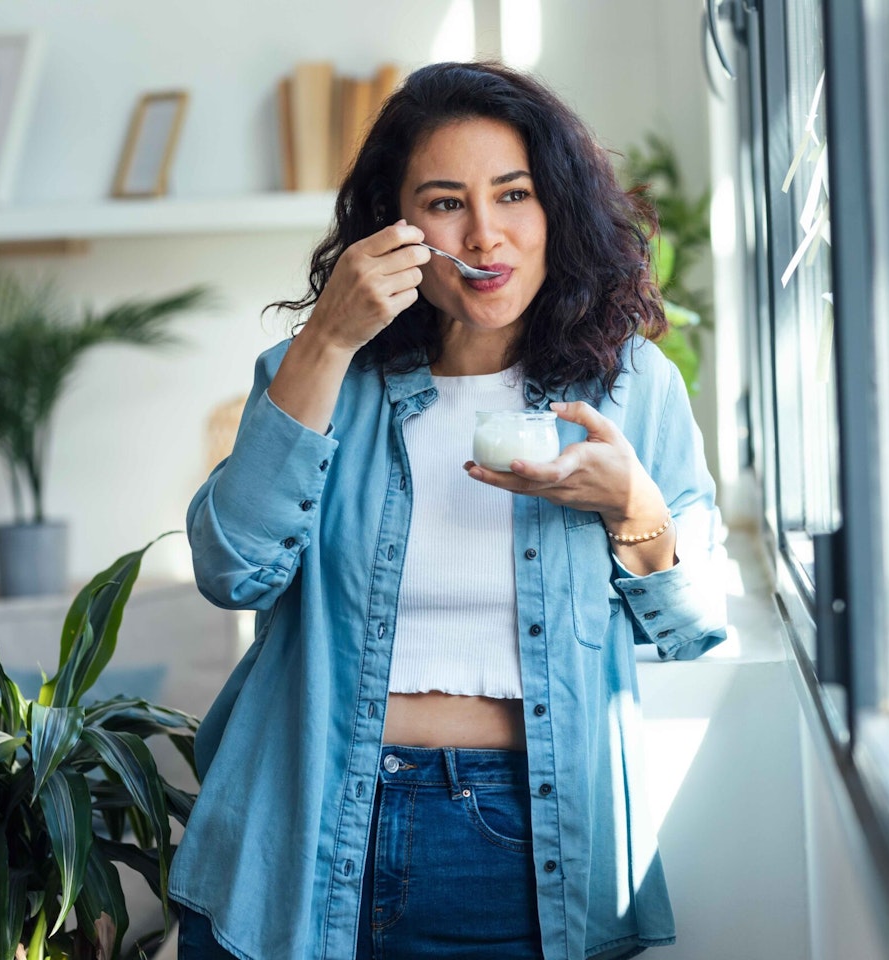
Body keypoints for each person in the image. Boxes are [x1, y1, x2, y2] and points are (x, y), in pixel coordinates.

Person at [169, 60, 727, 960]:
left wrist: (634, 508)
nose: (485, 233)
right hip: (305, 828)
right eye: (444, 202)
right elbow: (232, 570)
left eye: (514, 194)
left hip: (527, 841)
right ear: (395, 227)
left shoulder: (629, 390)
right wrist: (328, 337)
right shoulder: (320, 374)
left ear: (558, 210)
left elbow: (696, 625)